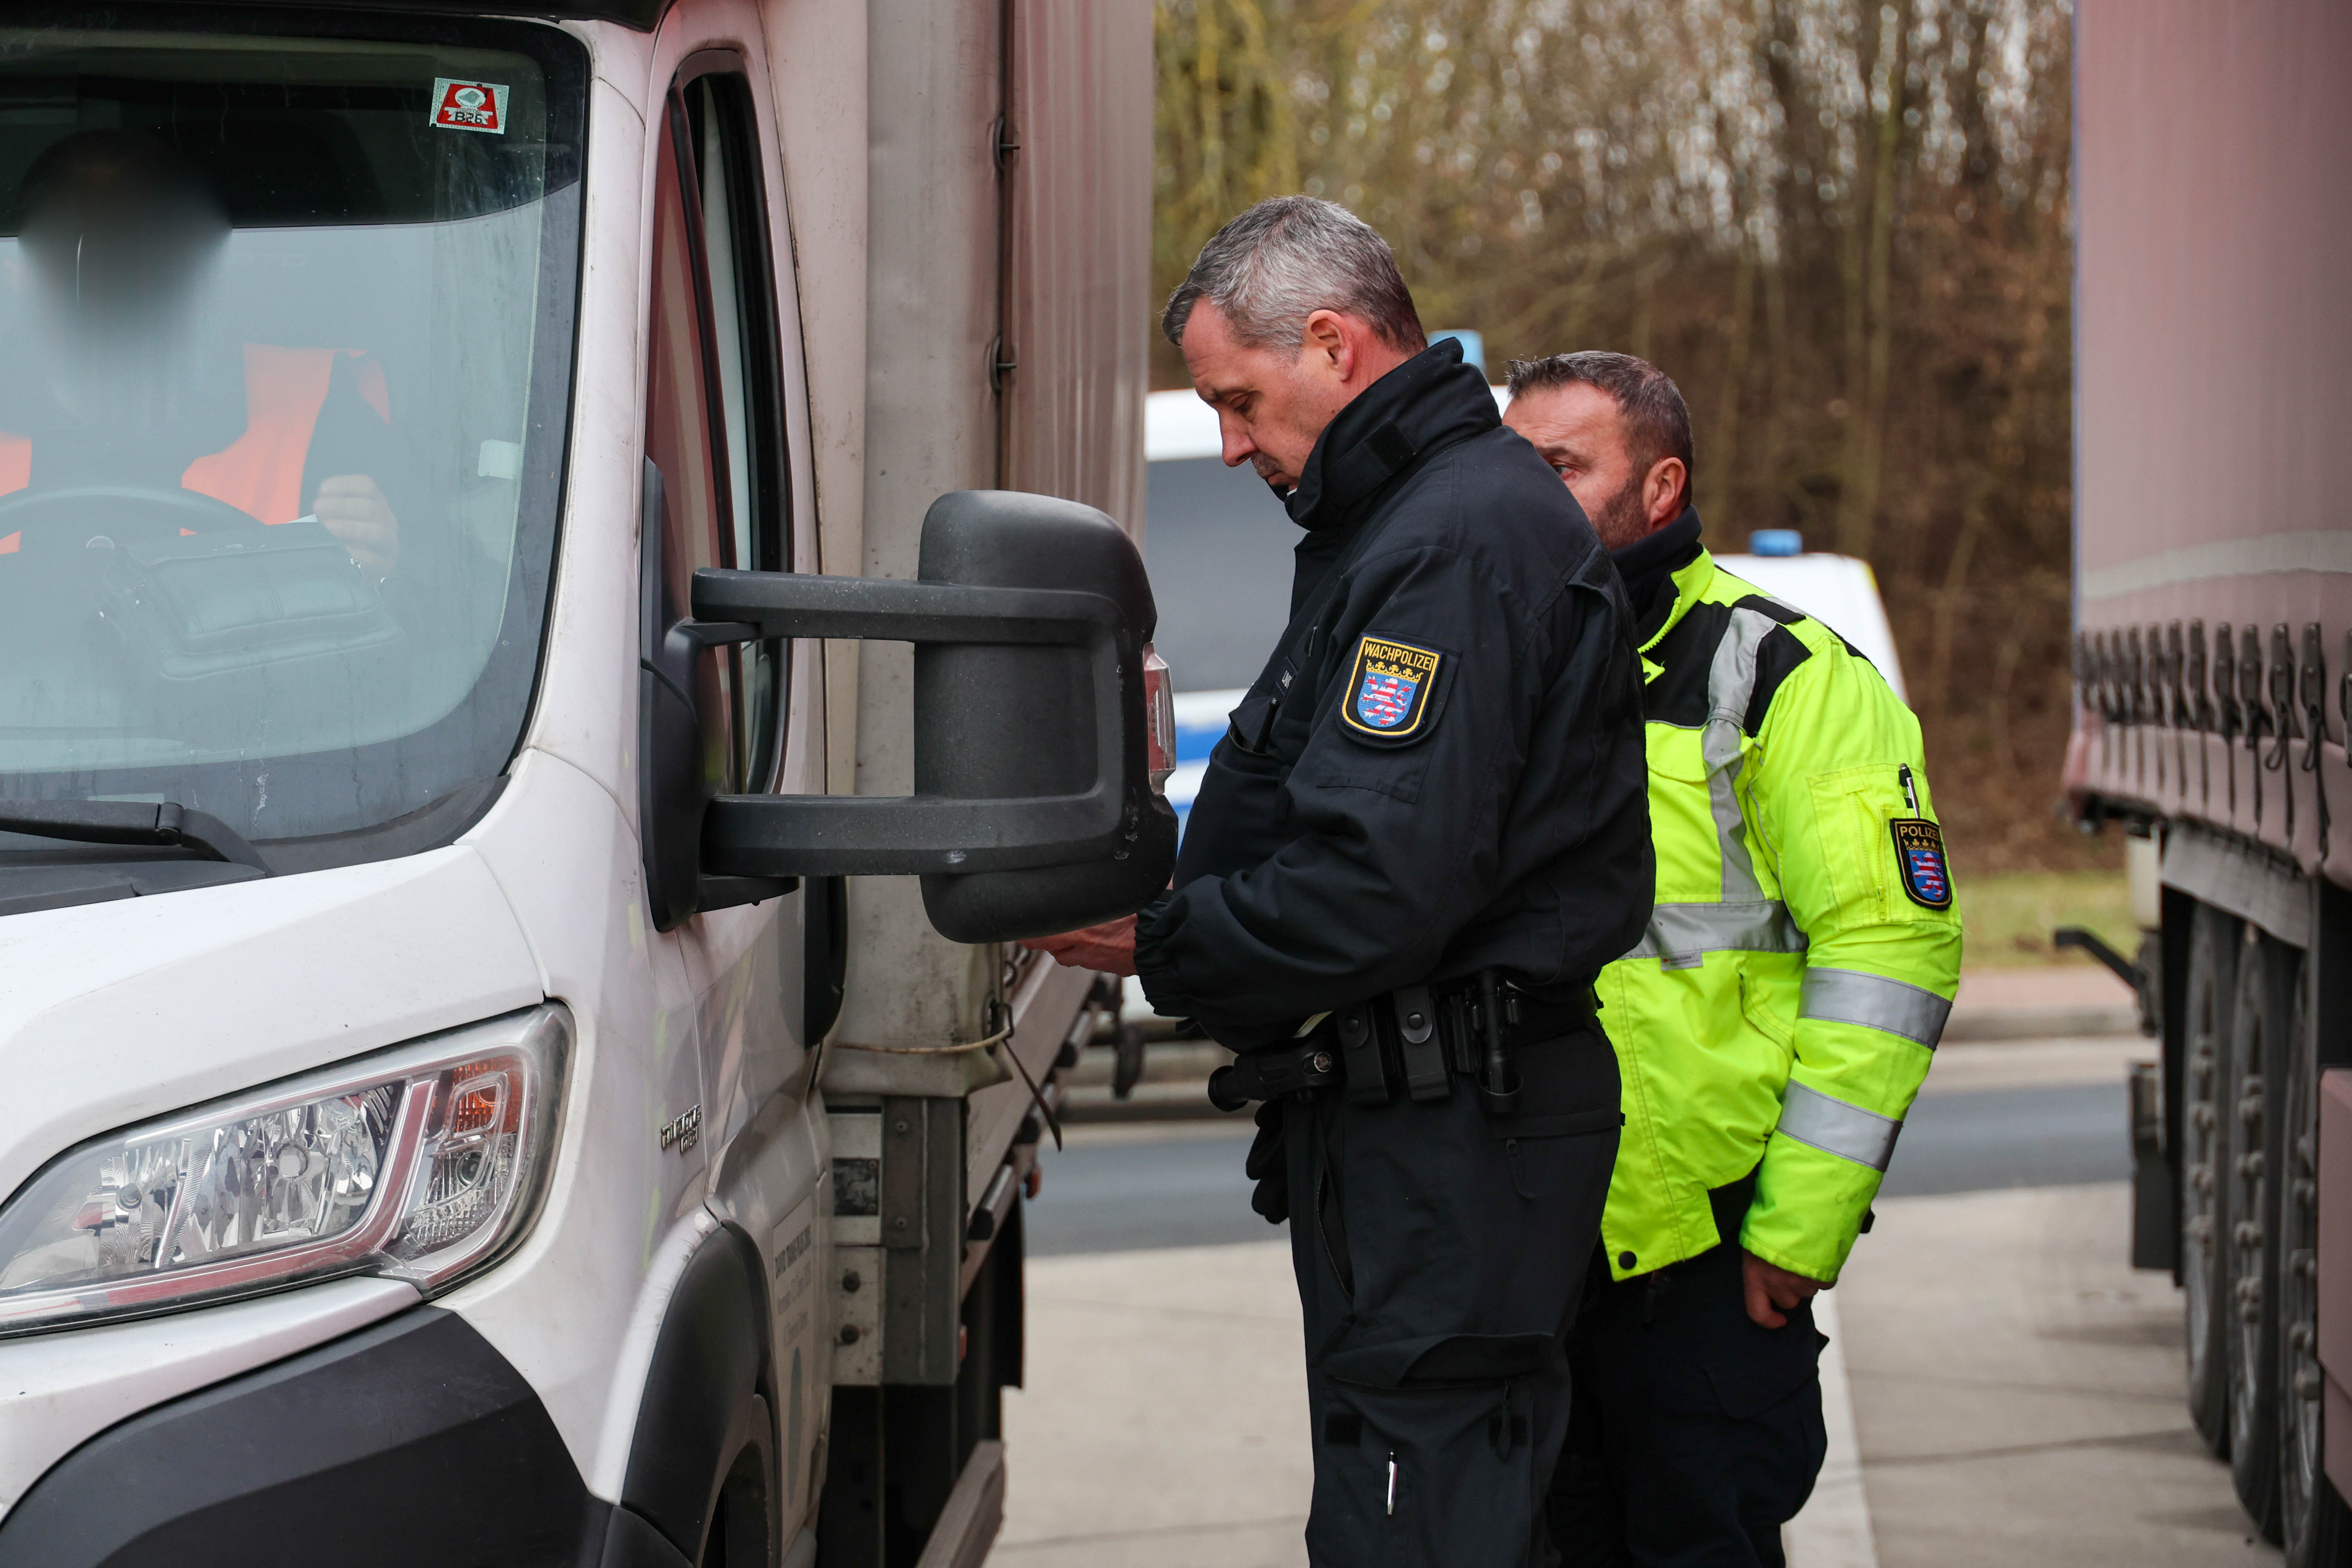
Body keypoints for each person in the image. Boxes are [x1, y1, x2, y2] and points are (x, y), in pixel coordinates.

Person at [1024, 198, 1653, 1566]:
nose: (1231, 443)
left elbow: (1378, 882)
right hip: (1421, 1124)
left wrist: (1162, 939)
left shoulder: (1453, 539)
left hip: (1452, 1132)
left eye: (1238, 402)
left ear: (1332, 343)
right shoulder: (1412, 522)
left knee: (1418, 1526)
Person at [1500, 351, 1963, 1567]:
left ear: (1661, 487)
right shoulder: (1482, 661)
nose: (1526, 495)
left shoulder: (1783, 675)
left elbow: (1891, 954)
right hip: (1517, 1235)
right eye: (1511, 465)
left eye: (1562, 466)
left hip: (1705, 1245)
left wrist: (1796, 1233)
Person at [0, 127, 407, 574]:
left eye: (146, 253)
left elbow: (430, 592)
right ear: (18, 270)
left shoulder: (320, 405)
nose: (120, 284)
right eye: (89, 260)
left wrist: (380, 566)